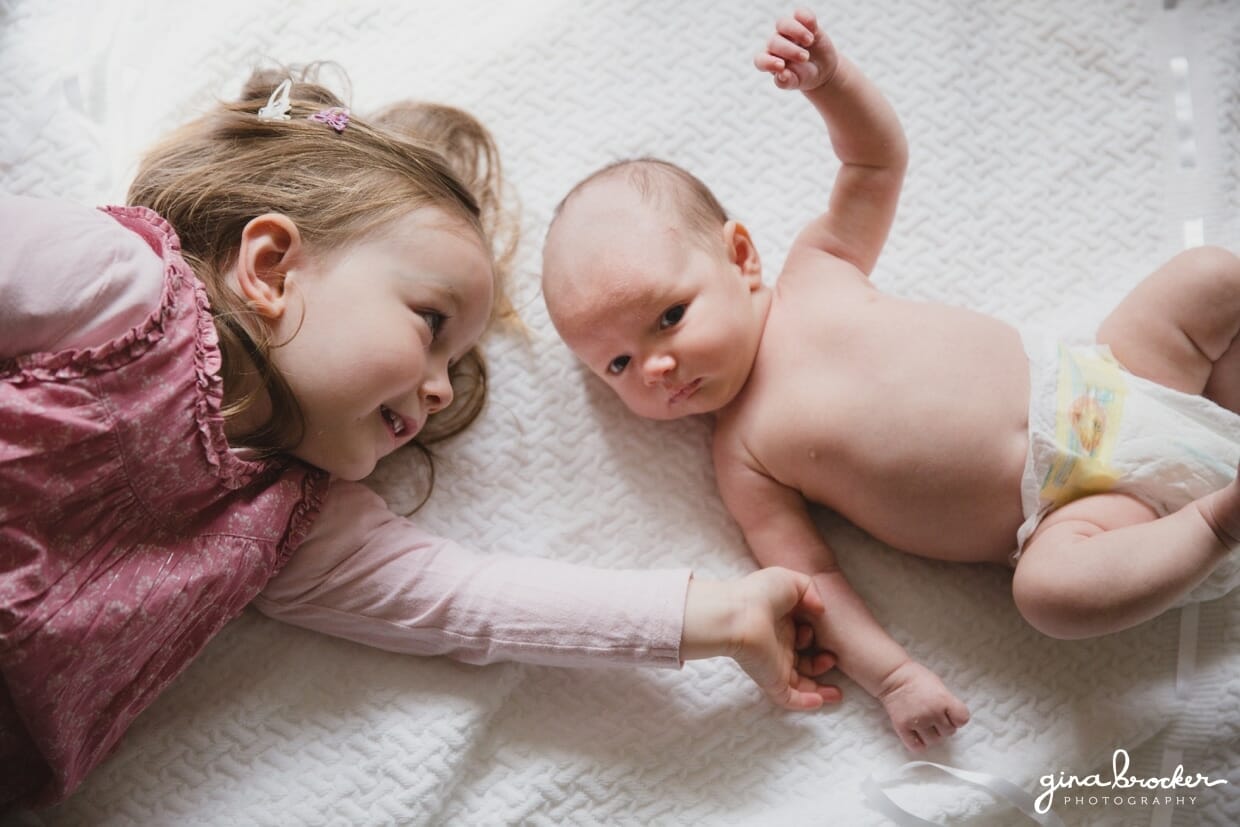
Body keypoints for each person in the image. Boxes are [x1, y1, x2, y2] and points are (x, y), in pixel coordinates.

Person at [0, 69, 841, 810]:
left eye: (455, 361)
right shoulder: (120, 288)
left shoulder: (287, 521)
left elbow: (472, 601)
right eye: (431, 324)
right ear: (271, 268)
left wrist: (720, 616)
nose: (440, 390)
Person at [540, 8, 1240, 752]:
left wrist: (831, 83)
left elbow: (875, 163)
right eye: (615, 364)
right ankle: (1215, 523)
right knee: (1049, 597)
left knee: (1209, 279)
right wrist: (895, 677)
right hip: (1077, 514)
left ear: (740, 256)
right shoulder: (741, 457)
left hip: (1111, 378)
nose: (654, 366)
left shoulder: (819, 267)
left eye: (669, 316)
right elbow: (815, 581)